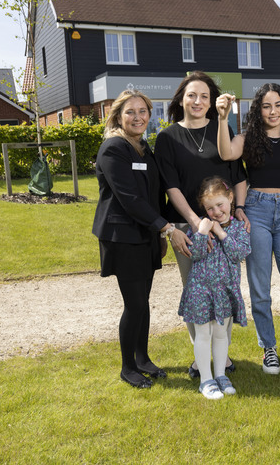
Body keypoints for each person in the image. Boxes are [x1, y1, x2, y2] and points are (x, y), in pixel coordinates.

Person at [215, 83, 280, 388]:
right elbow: (224, 152)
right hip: (256, 213)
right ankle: (268, 348)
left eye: (278, 105)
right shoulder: (247, 140)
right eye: (266, 106)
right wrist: (222, 118)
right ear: (257, 111)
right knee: (260, 289)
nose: (273, 112)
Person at [154, 71, 249, 378]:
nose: (198, 101)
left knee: (224, 290)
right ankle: (201, 357)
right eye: (192, 95)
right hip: (187, 225)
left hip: (225, 227)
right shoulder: (167, 138)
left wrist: (240, 210)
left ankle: (221, 358)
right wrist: (196, 224)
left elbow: (238, 174)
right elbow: (171, 186)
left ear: (212, 102)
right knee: (196, 293)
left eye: (204, 96)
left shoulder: (223, 127)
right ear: (181, 99)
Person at [92, 89, 189, 389]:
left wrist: (160, 228)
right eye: (130, 112)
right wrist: (168, 229)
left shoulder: (144, 149)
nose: (138, 117)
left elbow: (153, 195)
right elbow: (130, 199)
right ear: (118, 116)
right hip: (123, 236)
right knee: (134, 304)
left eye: (143, 111)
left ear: (150, 114)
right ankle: (127, 367)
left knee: (142, 302)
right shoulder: (113, 149)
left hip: (146, 234)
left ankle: (143, 358)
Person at [179, 176, 251, 399]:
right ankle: (206, 380)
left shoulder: (239, 228)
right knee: (203, 334)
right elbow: (195, 254)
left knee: (221, 335)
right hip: (201, 290)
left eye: (220, 204)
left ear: (230, 198)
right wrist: (202, 232)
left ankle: (220, 375)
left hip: (225, 291)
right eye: (210, 208)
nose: (216, 211)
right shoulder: (200, 226)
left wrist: (221, 233)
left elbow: (239, 253)